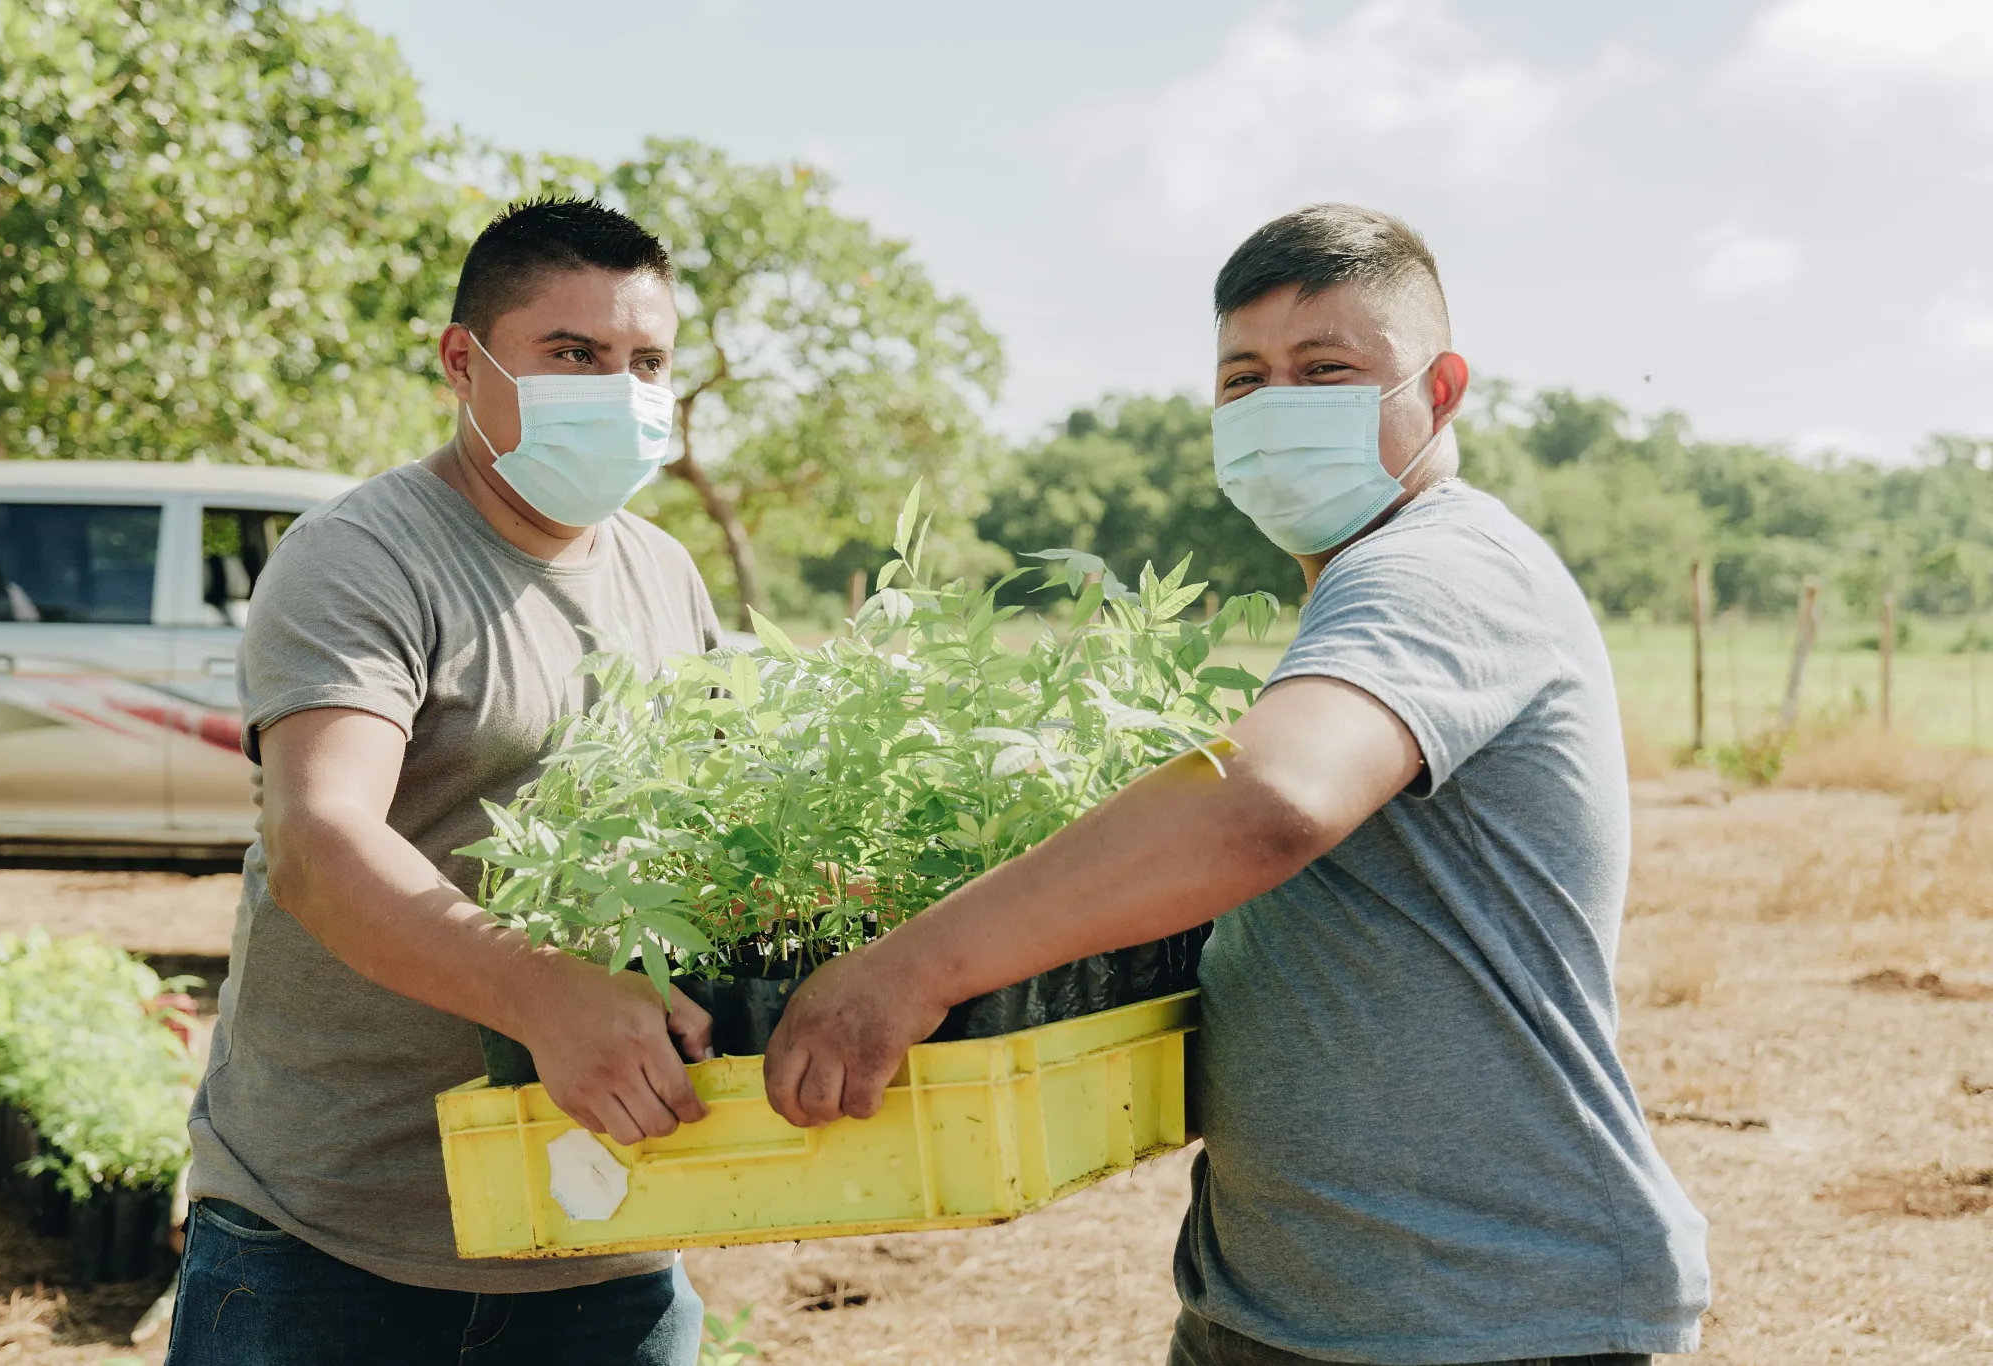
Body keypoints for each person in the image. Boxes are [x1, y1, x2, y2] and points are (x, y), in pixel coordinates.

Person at [762, 204, 1710, 1366]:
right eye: (1242, 377)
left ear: (1442, 388)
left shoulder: (1439, 567)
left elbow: (1266, 802)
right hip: (1290, 1303)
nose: (1274, 407)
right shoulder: (1365, 581)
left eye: (1324, 370)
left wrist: (905, 969)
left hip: (1479, 1311)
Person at [170, 199, 722, 1366]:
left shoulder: (664, 575)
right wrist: (544, 996)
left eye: (646, 362)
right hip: (332, 1239)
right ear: (463, 363)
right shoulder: (363, 555)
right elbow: (321, 839)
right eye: (572, 355)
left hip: (609, 1232)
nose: (619, 391)